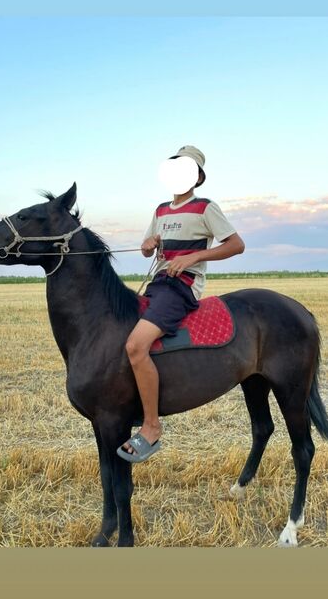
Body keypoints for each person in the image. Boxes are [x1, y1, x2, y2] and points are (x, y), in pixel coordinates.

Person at [116, 145, 245, 463]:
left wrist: (195, 256)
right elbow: (149, 250)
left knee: (135, 346)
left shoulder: (205, 208)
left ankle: (151, 428)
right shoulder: (160, 210)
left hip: (182, 288)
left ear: (197, 177)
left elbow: (236, 244)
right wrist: (148, 245)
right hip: (159, 285)